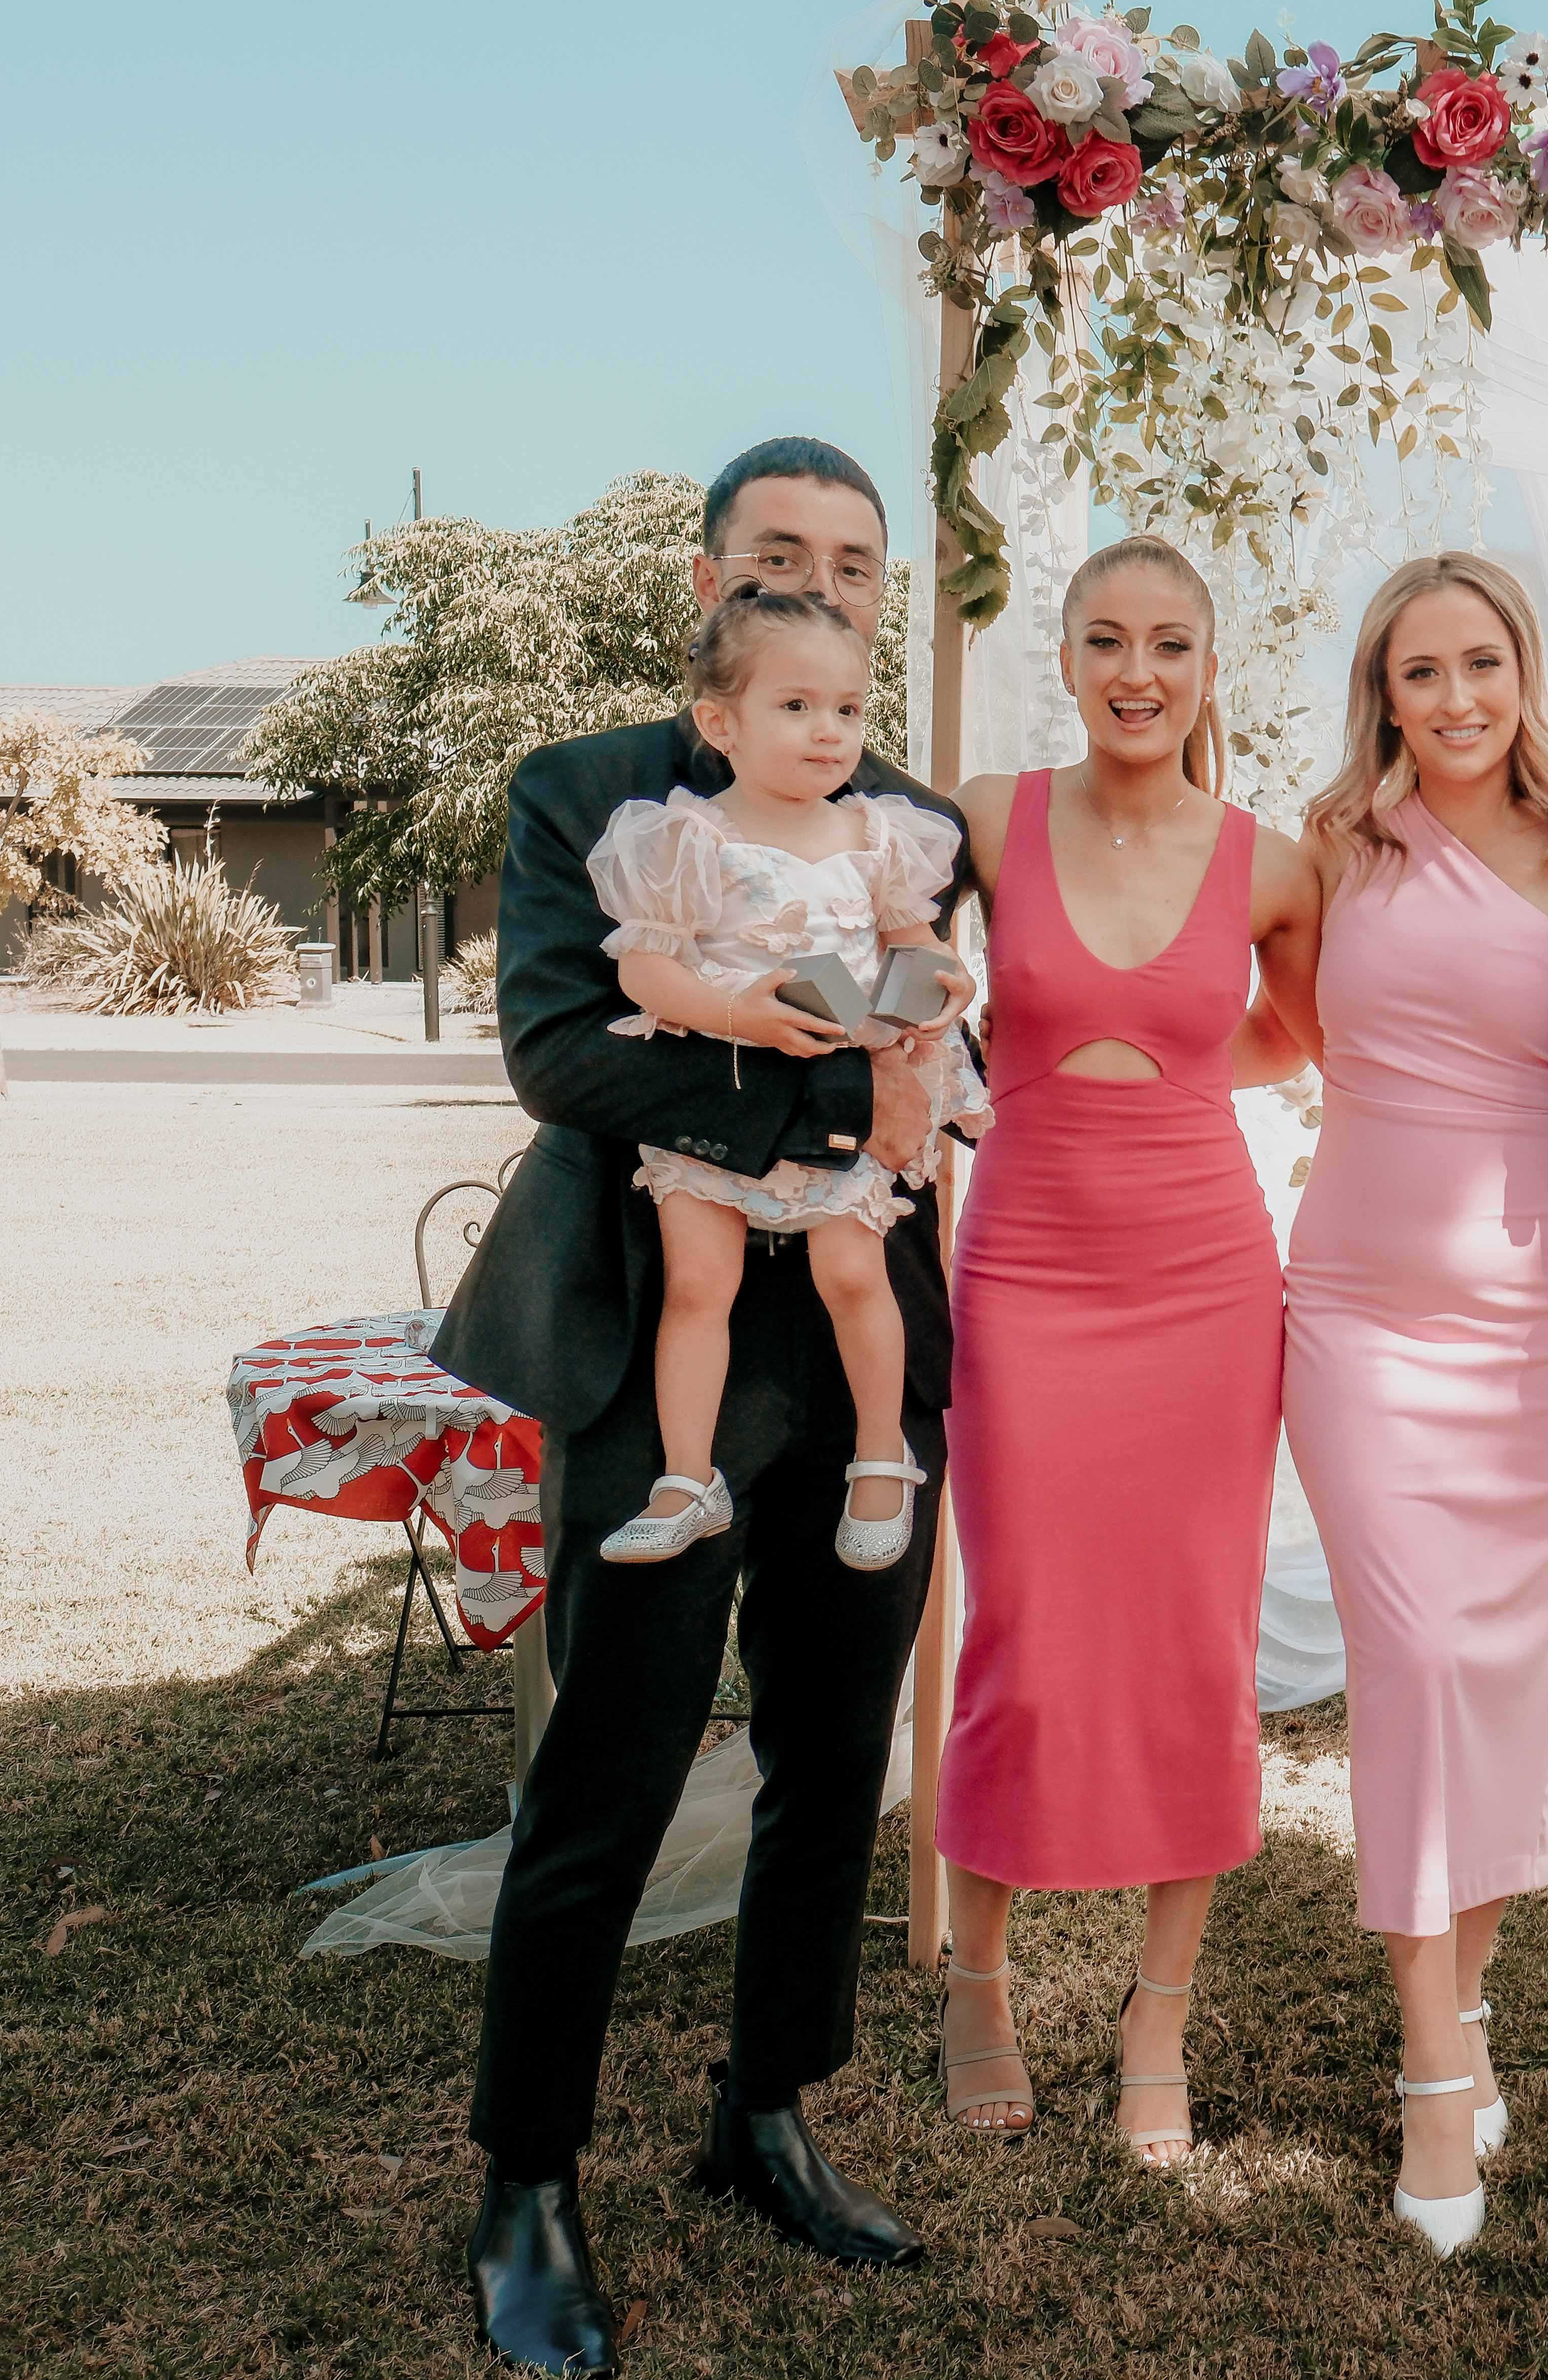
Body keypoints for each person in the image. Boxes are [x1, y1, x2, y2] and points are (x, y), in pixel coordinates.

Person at [437, 437, 954, 2377]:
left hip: (861, 1353)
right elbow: (564, 1054)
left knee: (834, 1758)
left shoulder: (907, 820)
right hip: (665, 1339)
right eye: (780, 552)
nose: (820, 582)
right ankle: (528, 2180)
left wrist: (911, 1084)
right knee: (616, 1764)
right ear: (709, 583)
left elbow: (940, 1045)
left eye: (856, 563)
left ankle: (767, 2112)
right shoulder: (586, 792)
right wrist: (826, 1098)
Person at [1268, 552, 1548, 2257]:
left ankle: (1466, 2007)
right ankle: (1433, 2067)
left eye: (1480, 663)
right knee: (1416, 1660)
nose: (1453, 699)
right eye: (1418, 670)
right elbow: (1275, 1031)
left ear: (1524, 671)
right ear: (1382, 688)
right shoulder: (1327, 846)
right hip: (1358, 1308)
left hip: (1546, 1321)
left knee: (1504, 1675)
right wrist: (1089, 1058)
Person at [933, 535, 1321, 2161]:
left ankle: (1156, 2015)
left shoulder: (1273, 863)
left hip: (1203, 1282)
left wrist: (1170, 1062)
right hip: (1026, 1267)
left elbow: (1300, 1031)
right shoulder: (981, 817)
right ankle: (976, 1979)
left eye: (1169, 643)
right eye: (1105, 640)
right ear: (1068, 660)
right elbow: (886, 957)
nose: (1136, 671)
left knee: (1190, 1640)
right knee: (1018, 1627)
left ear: (1209, 668)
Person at [585, 588, 984, 1574]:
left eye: (847, 709)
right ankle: (688, 1478)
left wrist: (939, 989)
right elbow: (646, 971)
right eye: (797, 706)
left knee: (852, 1272)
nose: (829, 731)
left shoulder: (875, 837)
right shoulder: (689, 837)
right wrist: (737, 1013)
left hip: (838, 1100)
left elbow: (920, 948)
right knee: (697, 1285)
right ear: (721, 722)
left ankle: (881, 1456)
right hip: (718, 1096)